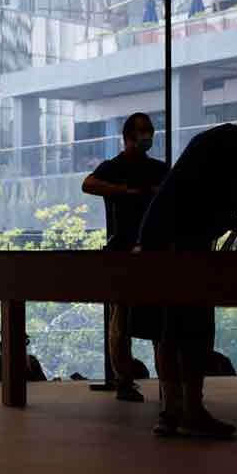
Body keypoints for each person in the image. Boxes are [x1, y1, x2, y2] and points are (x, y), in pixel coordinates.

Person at [139, 108, 237, 439]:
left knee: (169, 326)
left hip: (159, 238)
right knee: (196, 324)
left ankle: (172, 411)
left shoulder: (216, 139)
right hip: (183, 241)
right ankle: (190, 411)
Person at [83, 112, 168, 402]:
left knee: (144, 319)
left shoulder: (155, 168)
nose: (148, 136)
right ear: (128, 136)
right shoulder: (116, 167)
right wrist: (124, 191)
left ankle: (144, 381)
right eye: (143, 131)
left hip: (148, 250)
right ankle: (126, 380)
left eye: (149, 130)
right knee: (123, 318)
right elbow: (88, 183)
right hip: (124, 249)